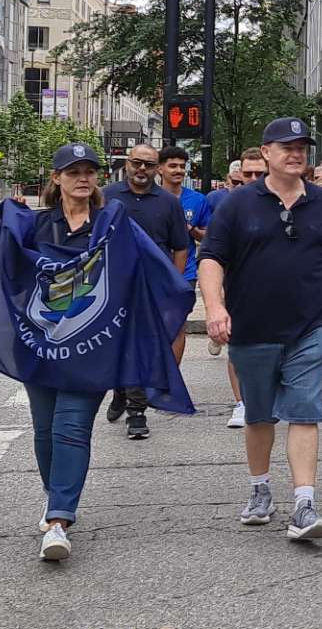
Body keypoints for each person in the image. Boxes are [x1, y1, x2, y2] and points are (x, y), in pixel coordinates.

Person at [198, 117, 322, 542]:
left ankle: (304, 504)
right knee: (259, 415)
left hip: (311, 326)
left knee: (305, 411)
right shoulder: (238, 204)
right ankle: (260, 490)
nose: (295, 154)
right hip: (252, 327)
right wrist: (215, 307)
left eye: (301, 147)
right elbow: (211, 258)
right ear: (266, 152)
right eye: (286, 146)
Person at [27, 142, 109, 562]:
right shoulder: (34, 226)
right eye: (73, 171)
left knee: (71, 427)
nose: (82, 178)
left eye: (89, 171)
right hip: (40, 345)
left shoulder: (110, 224)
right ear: (56, 178)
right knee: (44, 430)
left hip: (90, 346)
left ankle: (60, 519)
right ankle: (54, 494)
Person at [104, 142, 190, 440]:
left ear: (157, 169)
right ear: (127, 163)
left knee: (140, 347)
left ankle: (137, 413)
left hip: (151, 286)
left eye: (149, 165)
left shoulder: (169, 203)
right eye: (137, 163)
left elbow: (181, 247)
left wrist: (173, 283)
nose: (142, 169)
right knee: (116, 346)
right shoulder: (106, 196)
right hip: (113, 285)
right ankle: (120, 389)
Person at [207, 147, 265, 430]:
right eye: (247, 174)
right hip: (238, 289)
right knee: (238, 348)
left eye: (259, 174)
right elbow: (212, 255)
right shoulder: (228, 207)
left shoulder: (286, 203)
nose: (253, 179)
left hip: (279, 293)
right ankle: (242, 402)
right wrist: (215, 303)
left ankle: (265, 399)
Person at [159, 145, 210, 355]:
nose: (178, 170)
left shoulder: (198, 200)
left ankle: (173, 373)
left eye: (182, 166)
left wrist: (191, 229)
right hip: (153, 271)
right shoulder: (149, 198)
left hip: (185, 273)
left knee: (177, 325)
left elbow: (208, 236)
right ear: (160, 169)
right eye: (173, 166)